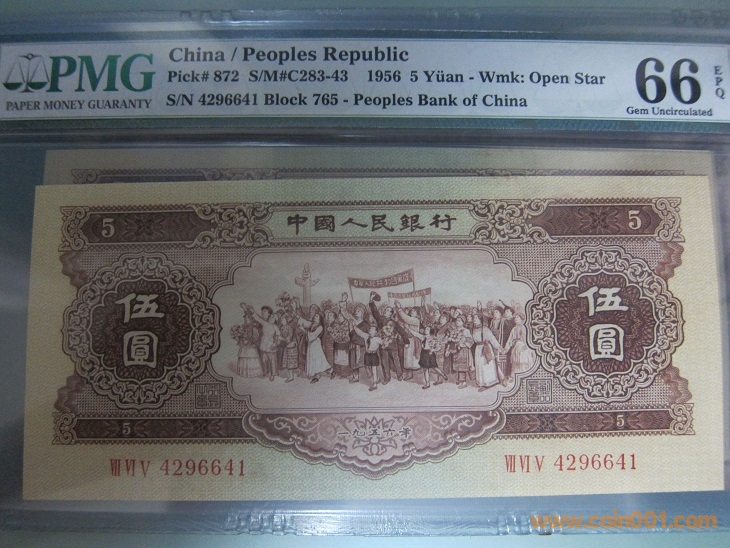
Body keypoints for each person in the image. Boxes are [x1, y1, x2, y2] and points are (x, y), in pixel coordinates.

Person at [369, 292, 409, 383]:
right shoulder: (380, 319)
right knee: (384, 361)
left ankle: (399, 375)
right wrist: (371, 300)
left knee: (396, 360)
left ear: (391, 313)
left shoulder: (394, 322)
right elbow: (374, 312)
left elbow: (402, 332)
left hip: (393, 344)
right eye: (385, 310)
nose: (385, 311)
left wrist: (407, 342)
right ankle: (387, 378)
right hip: (383, 344)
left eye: (387, 310)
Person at [297, 305, 331, 383]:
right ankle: (316, 374)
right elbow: (304, 322)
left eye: (317, 316)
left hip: (316, 344)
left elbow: (313, 335)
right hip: (311, 344)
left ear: (320, 319)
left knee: (316, 359)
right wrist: (299, 320)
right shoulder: (312, 324)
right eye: (315, 316)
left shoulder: (320, 327)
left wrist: (304, 330)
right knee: (312, 358)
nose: (315, 317)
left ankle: (317, 376)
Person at [349, 321, 386, 391]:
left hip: (373, 355)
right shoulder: (366, 336)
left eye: (372, 329)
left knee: (374, 369)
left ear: (376, 332)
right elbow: (359, 332)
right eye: (370, 329)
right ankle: (376, 378)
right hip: (367, 354)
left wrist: (385, 342)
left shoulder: (378, 339)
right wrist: (354, 327)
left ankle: (374, 384)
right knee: (368, 367)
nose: (370, 329)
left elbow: (384, 344)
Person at [248, 305, 281, 381]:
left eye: (273, 318)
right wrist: (252, 311)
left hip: (271, 345)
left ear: (275, 320)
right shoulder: (265, 323)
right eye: (271, 317)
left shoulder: (275, 327)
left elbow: (278, 336)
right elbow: (257, 318)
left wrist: (275, 344)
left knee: (272, 361)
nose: (271, 319)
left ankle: (273, 374)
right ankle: (265, 372)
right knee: (264, 360)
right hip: (264, 344)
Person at [471, 313, 503, 391]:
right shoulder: (473, 329)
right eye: (474, 318)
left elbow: (492, 339)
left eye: (476, 318)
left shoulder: (485, 329)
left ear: (480, 320)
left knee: (486, 365)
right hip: (478, 349)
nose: (474, 319)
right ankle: (481, 382)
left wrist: (499, 347)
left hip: (485, 348)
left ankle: (488, 383)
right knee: (479, 365)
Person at [231, 304, 263, 377]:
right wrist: (239, 339)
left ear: (251, 319)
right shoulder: (242, 327)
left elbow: (255, 337)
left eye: (247, 318)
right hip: (244, 346)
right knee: (243, 358)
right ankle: (244, 373)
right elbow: (241, 335)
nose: (245, 319)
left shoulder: (253, 327)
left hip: (250, 346)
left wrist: (248, 342)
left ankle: (253, 373)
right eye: (245, 318)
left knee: (251, 359)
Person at [395, 301, 422, 381]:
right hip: (409, 340)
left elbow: (406, 318)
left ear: (417, 314)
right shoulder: (411, 319)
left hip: (413, 341)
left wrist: (399, 308)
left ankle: (412, 374)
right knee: (408, 358)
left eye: (414, 311)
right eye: (412, 310)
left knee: (412, 358)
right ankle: (409, 374)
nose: (412, 311)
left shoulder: (415, 320)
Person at [503, 314, 536, 378]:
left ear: (521, 319)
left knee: (523, 362)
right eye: (515, 318)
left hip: (524, 348)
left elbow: (529, 338)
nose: (515, 319)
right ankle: (516, 377)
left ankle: (525, 376)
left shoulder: (525, 327)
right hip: (516, 347)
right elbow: (510, 339)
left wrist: (527, 346)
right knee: (516, 362)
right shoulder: (514, 329)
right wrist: (506, 349)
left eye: (517, 317)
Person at [447, 315, 474, 389]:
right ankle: (460, 380)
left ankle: (463, 382)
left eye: (459, 321)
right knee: (457, 366)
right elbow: (452, 340)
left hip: (463, 350)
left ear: (463, 322)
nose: (457, 322)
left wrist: (463, 345)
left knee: (462, 366)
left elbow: (471, 340)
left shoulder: (466, 330)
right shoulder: (454, 331)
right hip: (456, 350)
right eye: (457, 320)